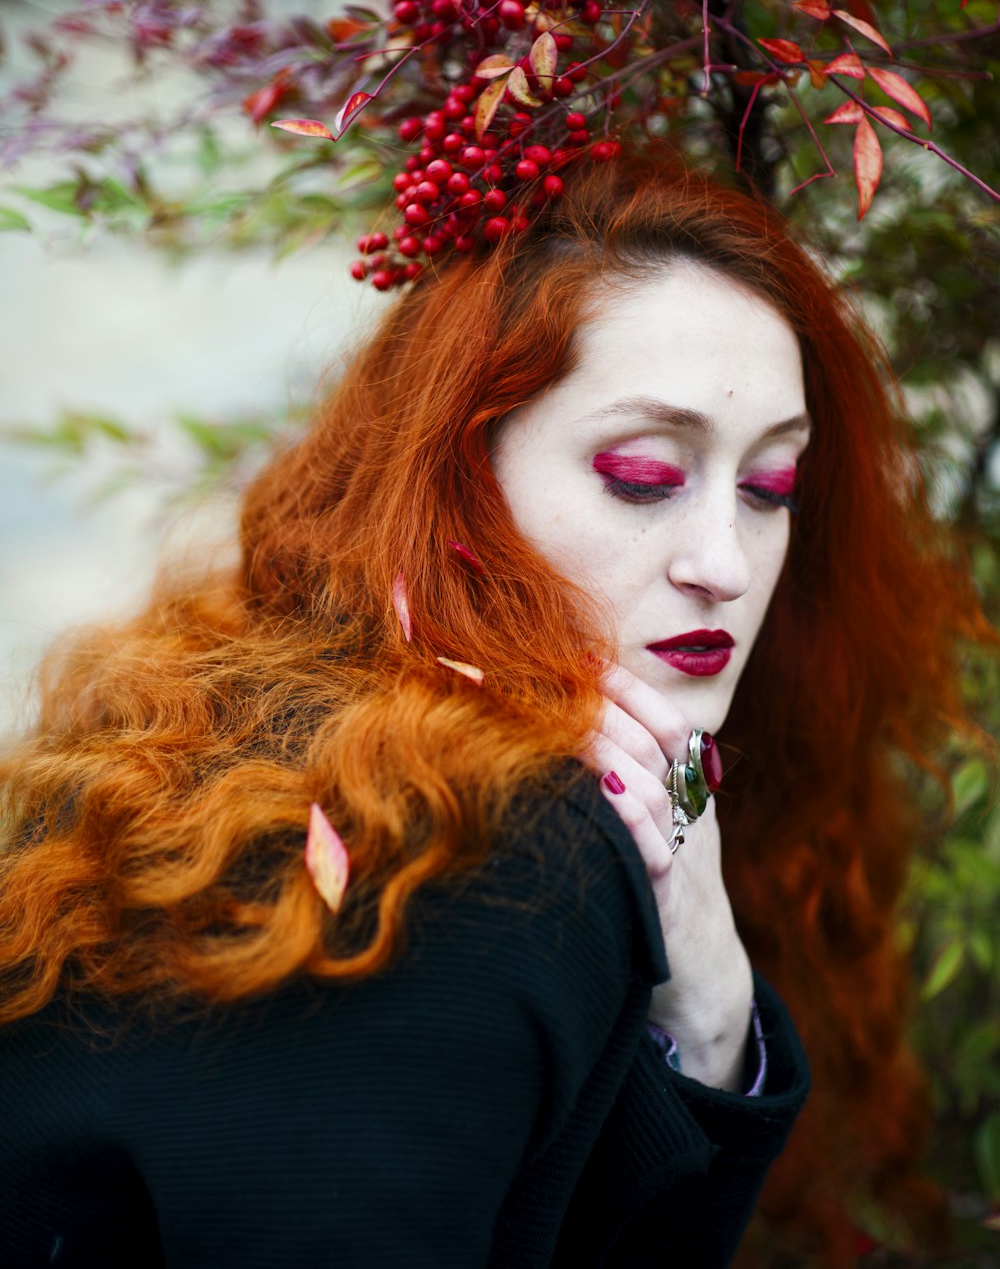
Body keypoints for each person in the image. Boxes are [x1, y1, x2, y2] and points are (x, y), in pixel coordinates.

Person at [0, 159, 989, 1268]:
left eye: (770, 490)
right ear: (462, 471)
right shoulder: (483, 845)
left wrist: (710, 1009)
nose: (726, 563)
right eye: (642, 473)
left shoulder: (287, 722)